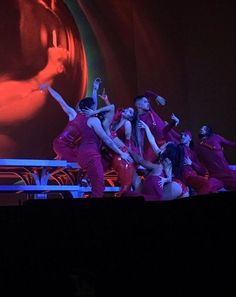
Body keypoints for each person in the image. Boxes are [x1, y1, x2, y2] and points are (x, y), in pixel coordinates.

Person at [39, 80, 132, 197]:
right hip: (61, 144)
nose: (95, 108)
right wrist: (48, 88)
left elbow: (94, 106)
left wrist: (94, 89)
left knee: (85, 161)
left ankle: (83, 179)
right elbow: (60, 100)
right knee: (83, 163)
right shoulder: (74, 114)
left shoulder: (89, 118)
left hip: (73, 147)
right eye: (93, 107)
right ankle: (65, 167)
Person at [82, 90, 136, 197]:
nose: (126, 111)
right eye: (127, 109)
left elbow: (127, 141)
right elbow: (111, 110)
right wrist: (106, 100)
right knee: (100, 160)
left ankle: (123, 189)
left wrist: (126, 153)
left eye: (130, 112)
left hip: (122, 149)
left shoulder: (127, 123)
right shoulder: (115, 121)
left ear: (131, 117)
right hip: (111, 148)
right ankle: (87, 178)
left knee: (109, 159)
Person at [133, 92, 180, 161]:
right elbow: (141, 139)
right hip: (159, 145)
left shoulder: (149, 110)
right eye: (145, 102)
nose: (148, 103)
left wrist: (156, 97)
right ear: (138, 105)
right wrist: (140, 155)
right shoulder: (141, 121)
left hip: (167, 139)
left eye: (148, 101)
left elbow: (146, 93)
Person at [180, 130, 223, 195]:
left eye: (185, 135)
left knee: (217, 183)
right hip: (187, 176)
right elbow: (170, 134)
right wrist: (172, 123)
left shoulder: (193, 153)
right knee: (207, 184)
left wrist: (191, 163)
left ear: (190, 139)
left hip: (195, 176)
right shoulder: (180, 148)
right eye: (181, 135)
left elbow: (203, 170)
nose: (182, 137)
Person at [195, 125, 236, 191]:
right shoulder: (198, 148)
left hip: (227, 172)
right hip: (215, 176)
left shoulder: (216, 137)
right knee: (206, 188)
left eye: (204, 128)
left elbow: (229, 143)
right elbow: (197, 162)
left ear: (209, 130)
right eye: (201, 128)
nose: (201, 129)